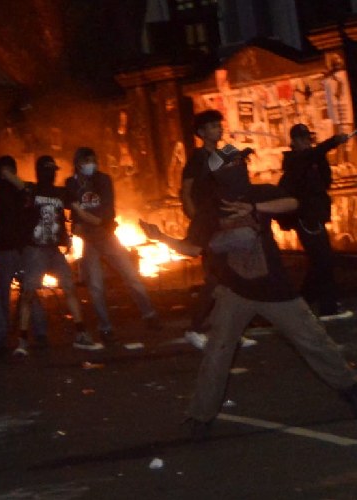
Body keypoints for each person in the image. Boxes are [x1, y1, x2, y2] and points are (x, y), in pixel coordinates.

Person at [140, 153, 357, 441]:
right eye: (229, 166)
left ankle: (351, 390)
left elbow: (292, 203)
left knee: (315, 342)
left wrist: (254, 207)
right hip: (235, 292)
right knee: (217, 352)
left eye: (238, 164)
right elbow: (192, 249)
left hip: (276, 290)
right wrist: (160, 237)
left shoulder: (259, 192)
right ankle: (200, 416)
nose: (236, 170)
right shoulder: (210, 209)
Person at [180, 112, 257, 350]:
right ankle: (195, 328)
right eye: (212, 126)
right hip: (209, 224)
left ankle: (228, 330)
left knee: (229, 278)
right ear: (201, 132)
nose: (218, 129)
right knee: (216, 278)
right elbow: (185, 191)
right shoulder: (198, 158)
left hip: (225, 222)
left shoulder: (223, 155)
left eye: (219, 125)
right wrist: (197, 220)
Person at [10, 155, 102, 354]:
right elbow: (16, 183)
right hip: (35, 249)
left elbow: (78, 209)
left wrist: (96, 221)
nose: (51, 174)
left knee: (69, 287)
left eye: (53, 170)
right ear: (41, 171)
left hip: (53, 250)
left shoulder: (61, 193)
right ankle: (22, 342)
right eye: (48, 170)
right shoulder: (31, 190)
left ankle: (81, 334)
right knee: (27, 293)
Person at [65, 147, 160, 338]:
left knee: (131, 276)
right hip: (89, 241)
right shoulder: (71, 184)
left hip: (107, 236)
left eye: (93, 160)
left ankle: (149, 314)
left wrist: (93, 221)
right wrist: (78, 225)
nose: (91, 165)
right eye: (87, 161)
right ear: (78, 164)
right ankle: (105, 326)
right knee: (96, 286)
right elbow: (73, 213)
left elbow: (107, 213)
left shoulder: (103, 180)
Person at [278, 124, 352, 321]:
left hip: (315, 215)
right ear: (293, 141)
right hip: (305, 217)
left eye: (307, 138)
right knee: (323, 259)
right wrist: (334, 141)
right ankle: (327, 307)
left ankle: (302, 304)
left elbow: (325, 179)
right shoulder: (295, 160)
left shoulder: (313, 159)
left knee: (320, 260)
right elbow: (313, 157)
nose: (306, 142)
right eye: (301, 139)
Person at [0, 156, 47, 356]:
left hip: (20, 249)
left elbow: (32, 202)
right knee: (3, 293)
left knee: (25, 291)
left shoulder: (24, 192)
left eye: (9, 171)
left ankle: (38, 330)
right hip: (5, 249)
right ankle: (2, 332)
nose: (6, 175)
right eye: (3, 171)